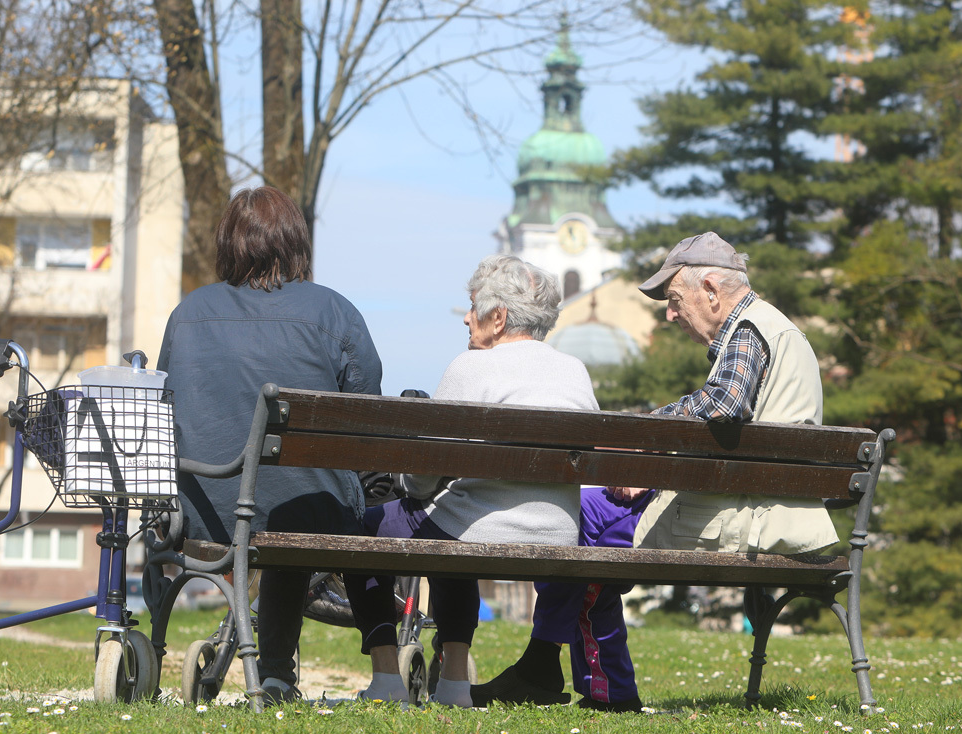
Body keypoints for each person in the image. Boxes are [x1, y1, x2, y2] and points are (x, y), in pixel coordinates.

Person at [471, 231, 838, 711]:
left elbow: (723, 405)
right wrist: (654, 459)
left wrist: (645, 440)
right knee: (579, 515)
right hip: (752, 502)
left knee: (572, 521)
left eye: (674, 299)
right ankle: (562, 674)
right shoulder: (771, 330)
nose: (669, 313)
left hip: (747, 516)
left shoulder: (750, 331)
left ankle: (563, 675)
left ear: (710, 288)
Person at [157, 186, 382, 703]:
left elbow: (164, 406)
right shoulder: (334, 311)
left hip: (203, 513)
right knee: (292, 504)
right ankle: (277, 673)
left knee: (274, 505)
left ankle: (155, 643)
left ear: (228, 244)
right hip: (307, 513)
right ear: (295, 242)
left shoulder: (188, 313)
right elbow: (366, 408)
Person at [344, 254, 597, 708]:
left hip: (474, 528)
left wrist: (406, 482)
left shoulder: (471, 367)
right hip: (559, 534)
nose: (466, 316)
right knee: (450, 519)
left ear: (497, 318)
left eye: (473, 305)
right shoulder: (574, 371)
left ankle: (387, 678)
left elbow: (422, 481)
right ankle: (454, 683)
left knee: (372, 527)